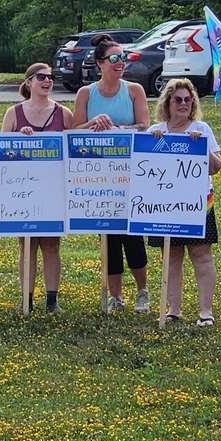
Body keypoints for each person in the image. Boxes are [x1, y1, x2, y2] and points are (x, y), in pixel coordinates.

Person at [73, 33, 151, 313]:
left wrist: (119, 129)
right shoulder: (86, 93)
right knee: (108, 238)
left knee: (133, 235)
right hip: (97, 177)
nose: (121, 63)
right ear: (100, 64)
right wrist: (93, 122)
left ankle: (143, 291)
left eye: (124, 58)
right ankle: (115, 296)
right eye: (114, 59)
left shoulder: (134, 91)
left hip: (129, 174)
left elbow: (144, 125)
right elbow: (74, 130)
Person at [146, 79, 221, 326]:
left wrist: (202, 147)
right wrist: (154, 142)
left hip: (197, 202)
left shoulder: (201, 128)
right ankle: (173, 309)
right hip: (164, 205)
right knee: (171, 256)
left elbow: (217, 167)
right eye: (177, 99)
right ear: (167, 102)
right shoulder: (155, 132)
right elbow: (145, 168)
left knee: (201, 255)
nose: (183, 104)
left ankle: (205, 312)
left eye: (188, 100)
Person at [1, 62, 76, 313]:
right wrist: (16, 139)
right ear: (29, 82)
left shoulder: (63, 113)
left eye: (51, 78)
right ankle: (27, 299)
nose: (47, 81)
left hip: (53, 190)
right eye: (42, 77)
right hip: (23, 191)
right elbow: (2, 153)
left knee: (52, 244)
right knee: (27, 244)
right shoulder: (13, 113)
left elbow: (73, 151)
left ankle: (52, 301)